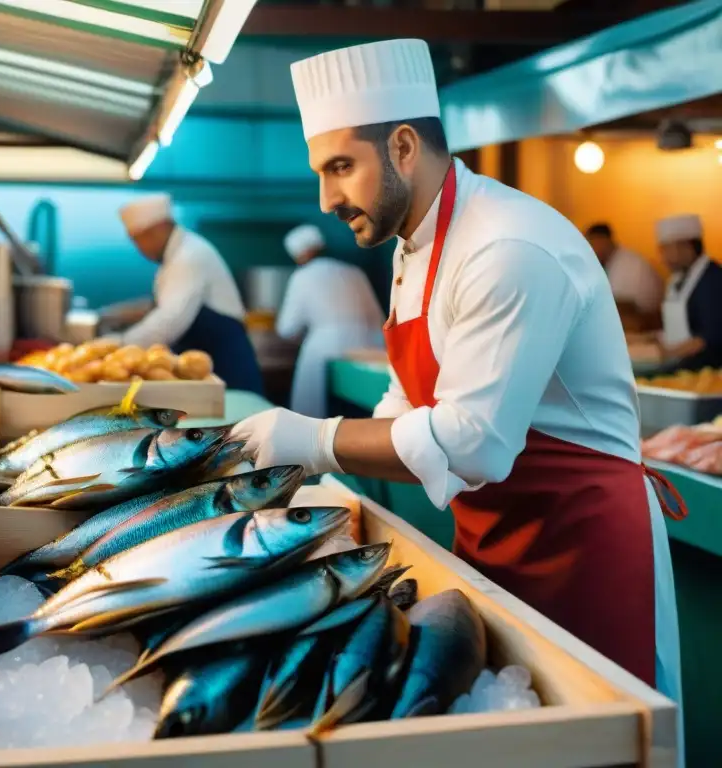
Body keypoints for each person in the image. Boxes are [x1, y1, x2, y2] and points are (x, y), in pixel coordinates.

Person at [230, 37, 684, 748]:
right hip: (497, 534)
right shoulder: (413, 246)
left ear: (404, 146)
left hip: (581, 545)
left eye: (340, 167)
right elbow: (406, 403)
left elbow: (471, 441)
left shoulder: (508, 247)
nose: (326, 198)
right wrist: (324, 465)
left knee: (592, 742)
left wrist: (313, 441)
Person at [102, 193, 264, 394]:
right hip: (206, 375)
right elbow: (158, 307)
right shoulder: (174, 258)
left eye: (138, 240)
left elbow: (169, 321)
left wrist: (120, 345)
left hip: (226, 371)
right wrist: (113, 315)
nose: (139, 249)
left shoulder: (189, 256)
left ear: (157, 229)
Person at [276, 223, 386, 417]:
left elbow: (286, 328)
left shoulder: (302, 276)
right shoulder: (354, 272)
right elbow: (379, 318)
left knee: (313, 415)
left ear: (299, 255)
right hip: (369, 347)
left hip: (325, 349)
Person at [653, 214, 722, 369]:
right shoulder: (677, 280)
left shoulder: (713, 280)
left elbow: (709, 337)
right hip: (680, 366)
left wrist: (665, 356)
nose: (662, 258)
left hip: (708, 372)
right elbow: (676, 331)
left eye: (666, 249)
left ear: (686, 247)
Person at [584, 222, 663, 331]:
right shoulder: (611, 262)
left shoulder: (630, 263)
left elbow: (625, 306)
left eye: (591, 244)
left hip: (642, 325)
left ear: (602, 240)